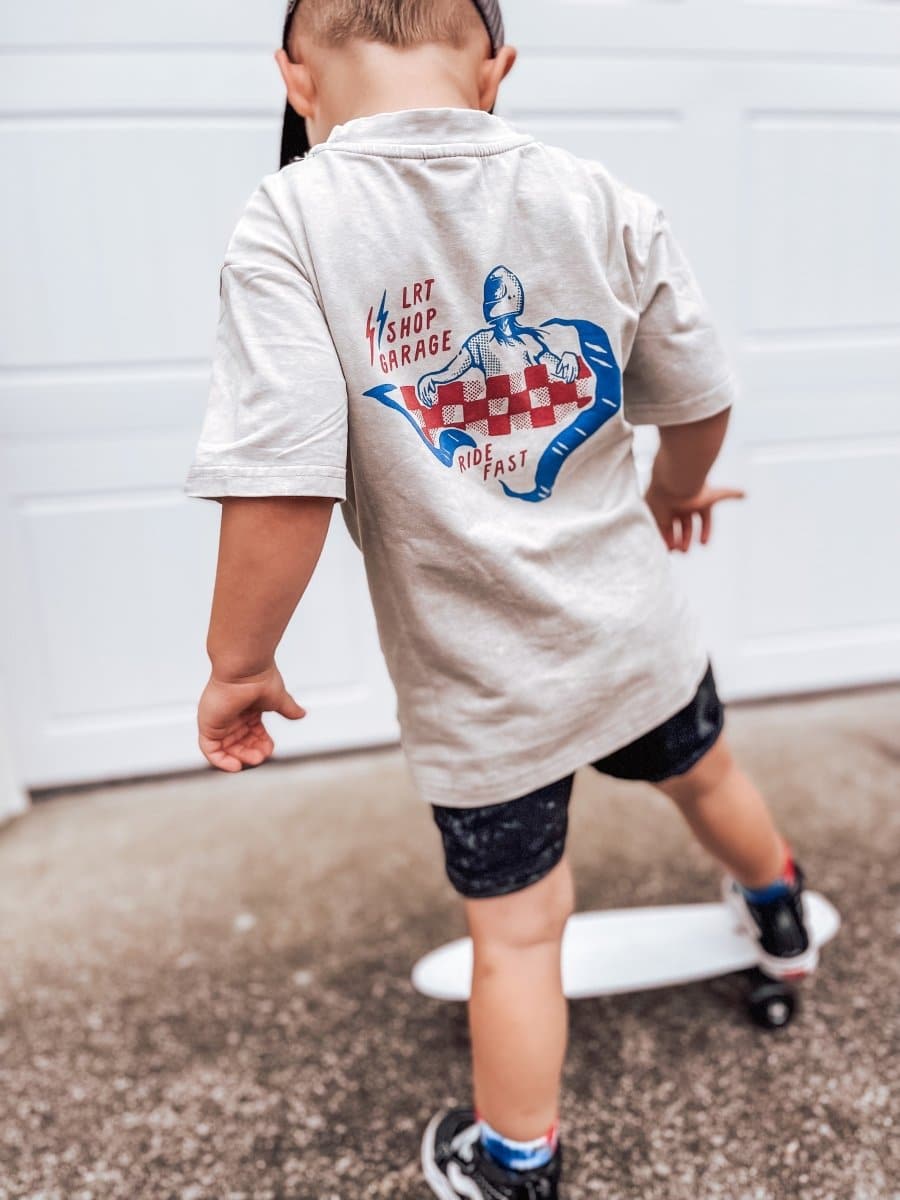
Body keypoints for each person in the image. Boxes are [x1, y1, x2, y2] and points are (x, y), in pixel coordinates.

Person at [183, 2, 818, 1196]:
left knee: (521, 936)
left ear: (293, 78)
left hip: (488, 692)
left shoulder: (293, 220)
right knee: (710, 776)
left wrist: (239, 659)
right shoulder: (596, 195)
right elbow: (697, 391)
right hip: (636, 634)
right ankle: (780, 914)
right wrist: (677, 491)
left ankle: (518, 1160)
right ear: (497, 72)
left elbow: (281, 474)